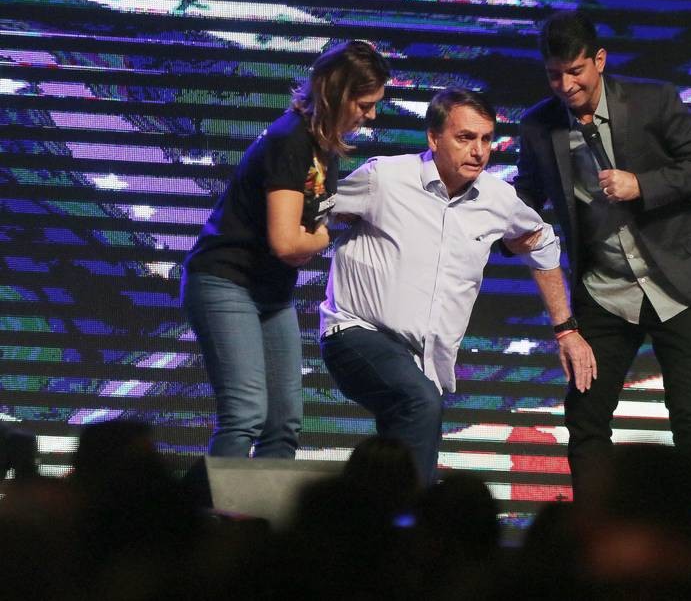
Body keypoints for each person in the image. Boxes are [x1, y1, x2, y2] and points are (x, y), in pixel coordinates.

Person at [319, 87, 595, 484]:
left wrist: (565, 328)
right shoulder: (385, 178)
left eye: (485, 139)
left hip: (424, 360)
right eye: (465, 138)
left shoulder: (498, 200)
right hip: (355, 332)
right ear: (434, 138)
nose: (479, 151)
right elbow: (319, 215)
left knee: (403, 444)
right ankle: (413, 524)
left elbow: (542, 242)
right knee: (420, 402)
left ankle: (383, 521)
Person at [514, 10, 691, 494]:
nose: (566, 85)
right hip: (605, 289)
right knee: (586, 415)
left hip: (680, 282)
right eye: (555, 74)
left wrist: (644, 184)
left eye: (575, 71)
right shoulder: (538, 126)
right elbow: (525, 200)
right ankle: (596, 529)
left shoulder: (651, 101)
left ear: (599, 60)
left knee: (690, 414)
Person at [182, 40, 390, 458]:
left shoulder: (324, 147)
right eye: (365, 104)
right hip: (226, 281)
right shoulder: (290, 140)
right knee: (244, 416)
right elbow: (287, 242)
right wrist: (326, 235)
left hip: (271, 293)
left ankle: (261, 522)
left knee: (283, 425)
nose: (371, 115)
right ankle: (205, 519)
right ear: (336, 94)